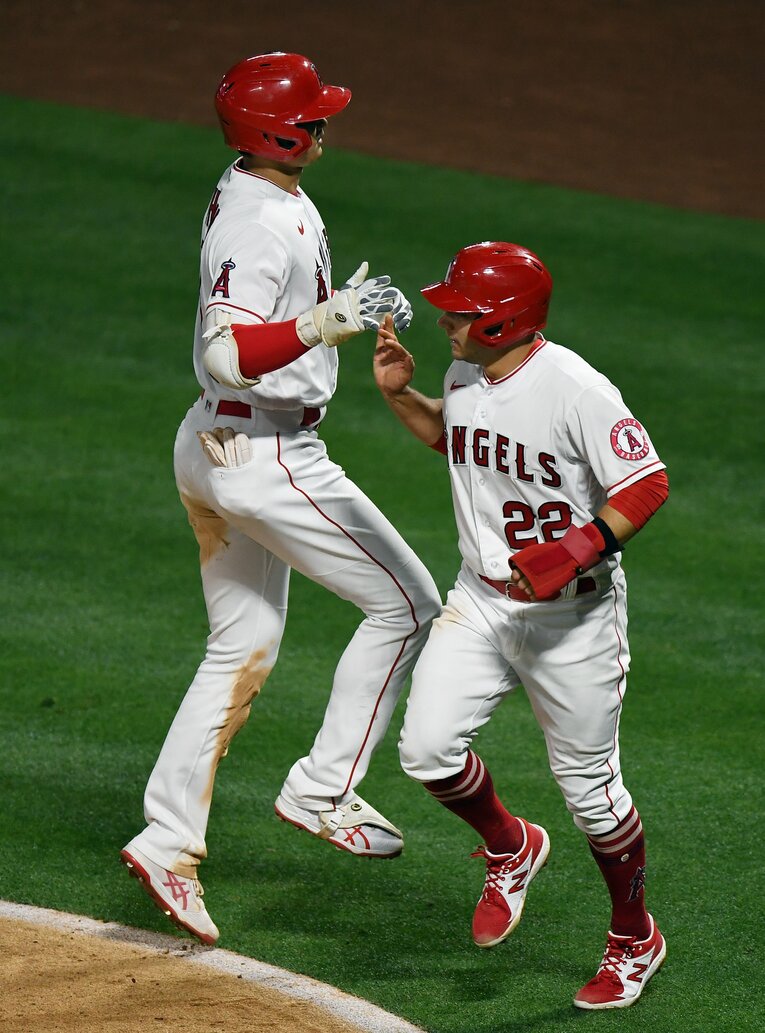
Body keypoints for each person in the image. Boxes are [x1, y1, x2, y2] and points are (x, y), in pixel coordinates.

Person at [120, 52, 441, 945]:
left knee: (244, 643)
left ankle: (166, 839)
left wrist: (329, 315)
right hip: (264, 453)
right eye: (311, 115)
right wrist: (320, 324)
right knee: (410, 603)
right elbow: (228, 350)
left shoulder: (254, 186)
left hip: (211, 442)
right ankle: (323, 787)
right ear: (277, 129)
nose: (323, 125)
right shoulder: (261, 221)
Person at [373, 242, 669, 1010]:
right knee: (426, 751)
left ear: (503, 319)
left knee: (592, 798)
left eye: (460, 312)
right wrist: (404, 398)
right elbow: (465, 445)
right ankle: (510, 845)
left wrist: (572, 551)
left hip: (572, 620)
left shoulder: (575, 388)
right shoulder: (464, 371)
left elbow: (645, 482)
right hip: (479, 601)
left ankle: (634, 936)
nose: (445, 320)